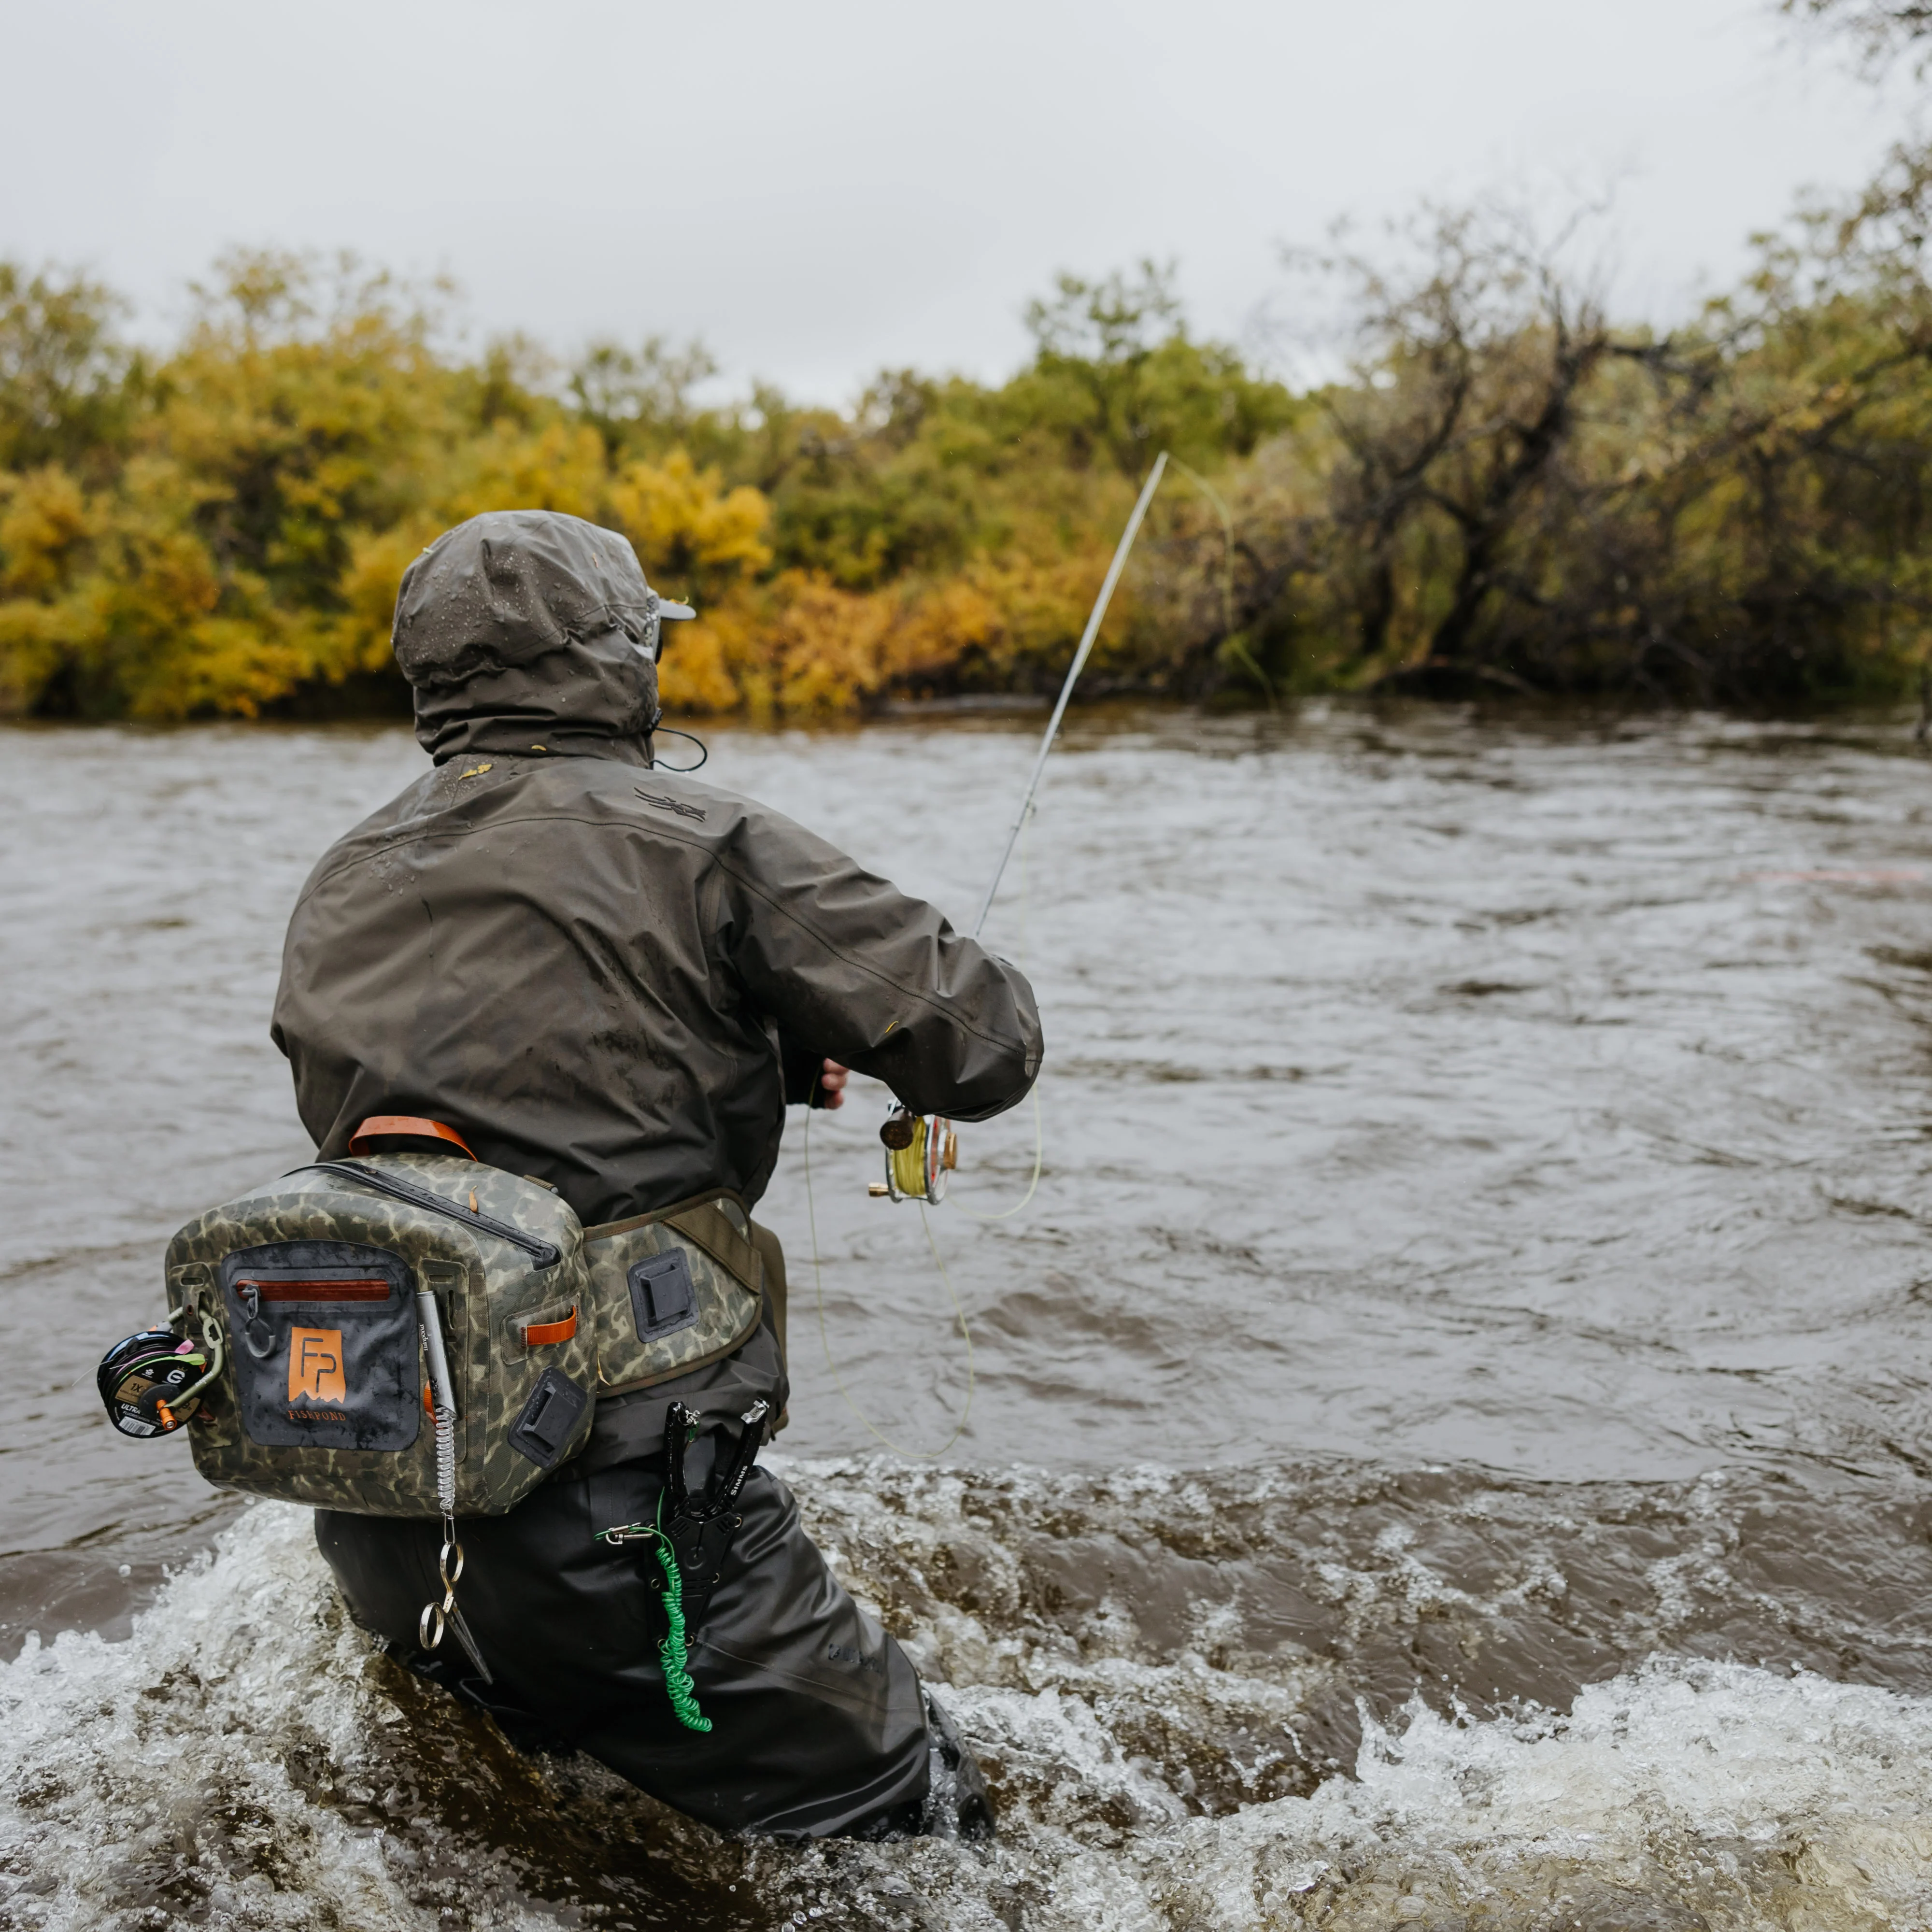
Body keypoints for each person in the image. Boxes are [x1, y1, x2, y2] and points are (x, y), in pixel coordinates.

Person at [269, 509, 1041, 1839]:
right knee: (922, 1841)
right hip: (628, 1519)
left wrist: (752, 1049)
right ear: (624, 655)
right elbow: (984, 1043)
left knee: (544, 1840)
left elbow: (467, 1123)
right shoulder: (708, 840)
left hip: (386, 1507)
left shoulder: (342, 880)